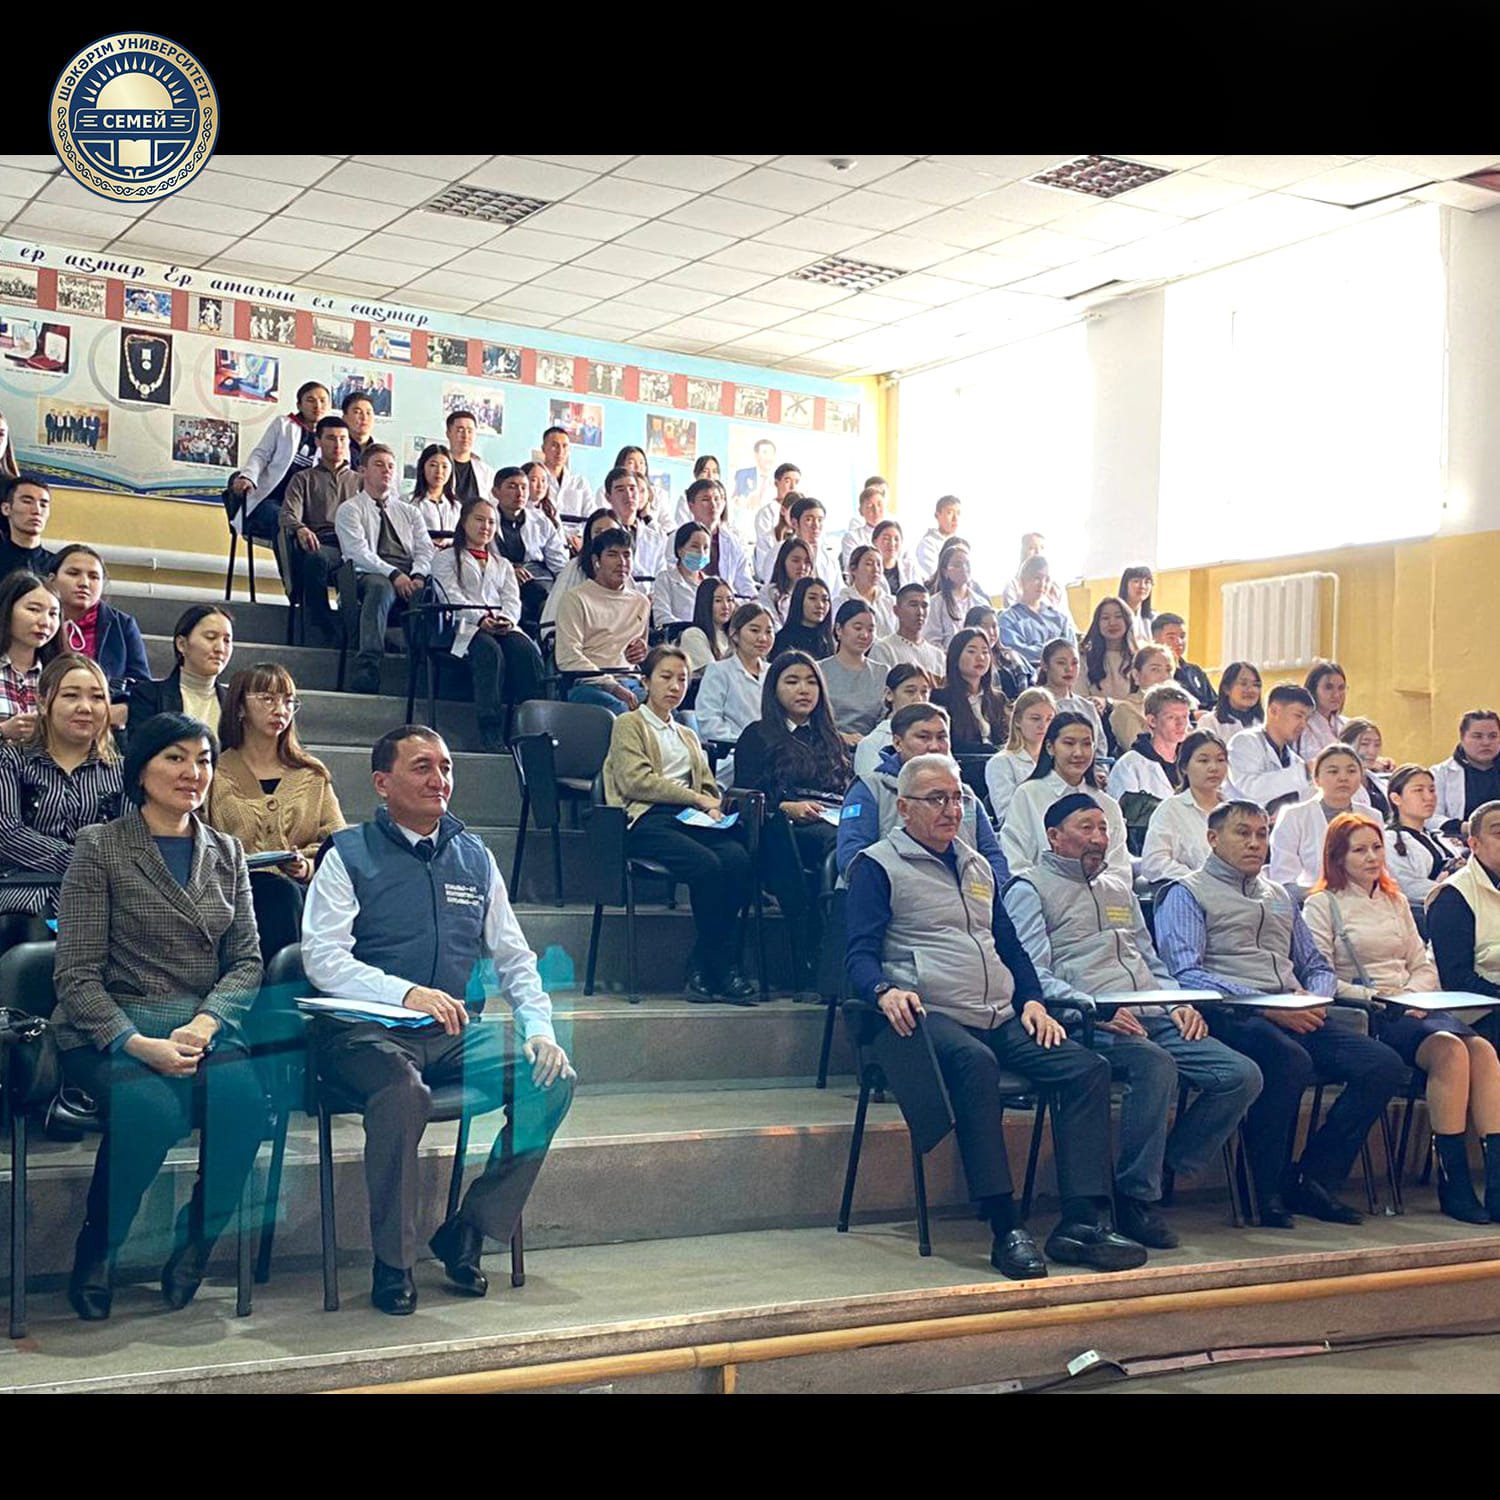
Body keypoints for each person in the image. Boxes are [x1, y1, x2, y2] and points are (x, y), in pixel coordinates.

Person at [302, 725, 575, 1313]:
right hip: (362, 1035)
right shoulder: (347, 853)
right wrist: (405, 994)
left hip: (449, 1035)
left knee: (550, 1081)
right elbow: (322, 958)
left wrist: (539, 1030)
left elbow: (515, 958)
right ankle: (394, 1262)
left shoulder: (474, 856)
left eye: (446, 767)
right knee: (404, 1095)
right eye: (422, 767)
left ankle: (469, 1230)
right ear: (383, 783)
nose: (439, 779)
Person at [845, 753, 1147, 1277]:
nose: (951, 809)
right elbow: (857, 955)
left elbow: (1009, 944)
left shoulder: (977, 865)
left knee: (1086, 1068)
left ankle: (1081, 1221)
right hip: (928, 1012)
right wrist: (882, 990)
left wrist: (1032, 1000)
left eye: (957, 798)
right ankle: (1005, 1225)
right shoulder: (877, 865)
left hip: (1000, 1011)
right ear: (904, 808)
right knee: (976, 1064)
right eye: (936, 799)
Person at [54, 712, 264, 1321]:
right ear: (141, 770)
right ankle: (99, 1250)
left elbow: (247, 962)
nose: (191, 772)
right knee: (149, 1111)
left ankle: (196, 1240)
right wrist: (136, 1043)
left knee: (245, 1106)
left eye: (203, 759)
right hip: (113, 1025)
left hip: (200, 1026)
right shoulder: (100, 845)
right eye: (175, 757)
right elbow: (75, 974)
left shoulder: (228, 852)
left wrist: (207, 1023)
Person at [1005, 793, 1263, 1248]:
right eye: (1086, 827)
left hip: (1150, 1011)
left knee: (1240, 1075)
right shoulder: (1030, 888)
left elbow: (1150, 960)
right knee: (1155, 1064)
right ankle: (1134, 1198)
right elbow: (1031, 972)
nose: (1098, 838)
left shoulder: (1118, 888)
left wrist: (1175, 1002)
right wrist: (1093, 1009)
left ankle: (1160, 1167)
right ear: (1054, 836)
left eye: (1103, 828)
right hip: (1088, 1019)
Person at [1155, 800, 1405, 1227]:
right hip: (1231, 1013)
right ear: (1213, 838)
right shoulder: (1187, 891)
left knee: (1383, 1064)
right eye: (1243, 833)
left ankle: (1312, 1180)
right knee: (1289, 1059)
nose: (1255, 843)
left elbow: (1316, 966)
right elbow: (1186, 972)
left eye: (1262, 834)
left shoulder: (1279, 895)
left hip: (1295, 1010)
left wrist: (1316, 999)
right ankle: (1263, 1189)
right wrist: (1267, 1005)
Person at [1305, 811, 1500, 1222]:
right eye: (1359, 850)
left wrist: (1413, 994)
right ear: (1337, 857)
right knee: (1450, 1051)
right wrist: (1383, 997)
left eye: (1377, 848)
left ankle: (1496, 1180)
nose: (1372, 857)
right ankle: (1453, 1181)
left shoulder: (1394, 900)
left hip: (1415, 1004)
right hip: (1369, 1011)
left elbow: (1422, 962)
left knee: (1481, 1050)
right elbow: (1320, 975)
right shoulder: (1322, 903)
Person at [602, 648, 757, 1003]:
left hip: (690, 818)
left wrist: (712, 806)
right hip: (647, 818)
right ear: (645, 681)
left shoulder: (687, 733)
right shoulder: (629, 724)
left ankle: (704, 962)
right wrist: (697, 799)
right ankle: (721, 967)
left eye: (682, 679)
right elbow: (636, 782)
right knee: (707, 865)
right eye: (666, 677)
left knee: (738, 859)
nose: (675, 686)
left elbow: (708, 785)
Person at [734, 652, 852, 991]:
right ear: (774, 689)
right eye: (792, 681)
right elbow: (745, 797)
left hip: (831, 819)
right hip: (780, 827)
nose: (804, 689)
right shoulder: (757, 735)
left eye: (811, 682)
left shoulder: (832, 738)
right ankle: (815, 950)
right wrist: (787, 807)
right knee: (835, 845)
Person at [209, 664, 344, 957]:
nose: (280, 709)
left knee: (285, 895)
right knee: (275, 894)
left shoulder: (311, 774)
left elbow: (338, 844)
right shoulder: (214, 772)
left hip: (301, 893)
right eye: (267, 699)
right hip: (232, 894)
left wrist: (307, 867)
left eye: (288, 701)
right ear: (240, 707)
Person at [0, 654, 123, 916]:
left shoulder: (122, 770)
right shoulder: (11, 760)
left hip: (102, 897)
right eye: (71, 696)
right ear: (43, 703)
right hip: (24, 895)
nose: (85, 707)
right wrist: (83, 861)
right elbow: (7, 833)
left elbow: (130, 839)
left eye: (97, 697)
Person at [839, 702, 1009, 887]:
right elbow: (852, 859)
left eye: (942, 737)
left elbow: (992, 855)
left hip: (966, 894)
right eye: (923, 737)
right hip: (895, 894)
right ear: (897, 742)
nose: (934, 746)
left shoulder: (965, 794)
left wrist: (993, 894)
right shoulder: (870, 788)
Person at [429, 494, 545, 749]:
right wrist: (480, 618)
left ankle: (534, 728)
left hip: (501, 625)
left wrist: (506, 620)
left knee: (526, 651)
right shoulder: (445, 558)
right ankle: (490, 729)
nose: (486, 527)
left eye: (491, 522)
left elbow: (512, 599)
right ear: (464, 522)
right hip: (463, 626)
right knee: (488, 651)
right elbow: (450, 595)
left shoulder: (502, 564)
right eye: (479, 520)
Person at [333, 444, 434, 697]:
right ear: (362, 471)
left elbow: (425, 549)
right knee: (381, 588)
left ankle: (427, 667)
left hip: (409, 572)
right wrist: (393, 574)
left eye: (390, 466)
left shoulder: (410, 512)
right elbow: (358, 553)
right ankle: (368, 665)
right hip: (367, 573)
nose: (386, 471)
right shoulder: (350, 509)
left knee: (434, 592)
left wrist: (418, 575)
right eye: (378, 465)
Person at [1004, 712, 1128, 874]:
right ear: (1050, 747)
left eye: (1086, 744)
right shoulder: (1028, 795)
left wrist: (1091, 887)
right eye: (1069, 743)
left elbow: (1119, 869)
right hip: (1041, 887)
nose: (1078, 753)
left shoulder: (1107, 804)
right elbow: (1016, 860)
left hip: (1098, 888)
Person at [553, 526, 651, 716]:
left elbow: (639, 652)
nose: (622, 562)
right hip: (589, 684)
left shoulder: (641, 602)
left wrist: (642, 650)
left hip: (632, 681)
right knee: (622, 712)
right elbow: (568, 657)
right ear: (596, 561)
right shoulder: (575, 598)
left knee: (670, 712)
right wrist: (612, 686)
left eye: (627, 555)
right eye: (612, 555)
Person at [281, 415, 361, 644]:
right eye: (331, 438)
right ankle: (323, 625)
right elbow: (287, 514)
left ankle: (355, 633)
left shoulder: (360, 481)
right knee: (316, 558)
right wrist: (300, 528)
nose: (338, 445)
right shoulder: (303, 479)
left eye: (343, 439)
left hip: (356, 545)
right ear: (318, 441)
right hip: (323, 543)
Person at [48, 544, 149, 723]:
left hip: (107, 722)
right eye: (73, 573)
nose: (84, 583)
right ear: (52, 579)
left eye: (94, 577)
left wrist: (121, 707)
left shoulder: (122, 625)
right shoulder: (39, 621)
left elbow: (143, 687)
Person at [232, 381, 330, 543]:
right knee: (288, 524)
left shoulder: (332, 437)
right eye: (310, 400)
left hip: (304, 507)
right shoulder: (284, 425)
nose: (317, 405)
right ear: (299, 405)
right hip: (272, 499)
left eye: (322, 400)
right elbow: (261, 454)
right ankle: (289, 560)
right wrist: (248, 476)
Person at [1429, 800, 1500, 1015]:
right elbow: (1456, 979)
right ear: (1474, 844)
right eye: (1499, 833)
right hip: (1479, 1010)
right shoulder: (1453, 895)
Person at [1269, 743, 1368, 890]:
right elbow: (1284, 877)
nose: (1343, 778)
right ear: (1316, 779)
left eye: (1351, 771)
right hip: (1309, 897)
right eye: (1333, 771)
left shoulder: (1371, 816)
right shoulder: (1294, 816)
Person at [1108, 681, 1193, 852]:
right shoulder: (1130, 766)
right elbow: (1127, 821)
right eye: (1171, 717)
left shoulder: (1192, 762)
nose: (1181, 724)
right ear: (1152, 721)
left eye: (1185, 717)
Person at [695, 603, 775, 779]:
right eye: (754, 630)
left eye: (769, 632)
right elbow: (709, 722)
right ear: (735, 634)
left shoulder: (774, 672)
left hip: (774, 754)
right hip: (731, 755)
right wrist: (746, 746)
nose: (763, 638)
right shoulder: (718, 671)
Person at [127, 603, 232, 736]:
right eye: (210, 637)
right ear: (181, 644)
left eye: (227, 640)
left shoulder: (235, 702)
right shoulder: (149, 696)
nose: (220, 648)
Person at [1140, 729, 1229, 884]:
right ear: (1184, 767)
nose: (1213, 767)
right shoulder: (1171, 810)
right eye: (1203, 761)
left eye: (1220, 760)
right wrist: (1200, 880)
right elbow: (1153, 863)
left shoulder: (1235, 810)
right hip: (1192, 890)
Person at [490, 465, 570, 629]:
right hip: (502, 580)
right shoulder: (486, 520)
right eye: (512, 487)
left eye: (524, 487)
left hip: (540, 579)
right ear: (496, 492)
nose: (519, 493)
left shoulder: (541, 521)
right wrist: (509, 570)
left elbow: (558, 562)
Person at [539, 508, 641, 629]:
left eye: (610, 532)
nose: (604, 538)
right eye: (598, 532)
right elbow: (553, 617)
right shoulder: (575, 567)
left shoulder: (624, 571)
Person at [1384, 763, 1468, 904]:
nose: (1429, 797)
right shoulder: (1390, 840)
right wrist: (1448, 887)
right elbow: (1408, 887)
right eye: (1418, 790)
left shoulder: (1438, 836)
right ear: (1396, 798)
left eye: (1432, 790)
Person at [1228, 683, 1314, 815]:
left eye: (1307, 719)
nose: (1303, 724)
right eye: (1298, 716)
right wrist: (1304, 772)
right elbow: (1251, 789)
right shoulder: (1243, 742)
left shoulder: (1296, 761)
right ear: (1274, 711)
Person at [985, 687, 1056, 826]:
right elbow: (1006, 815)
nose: (1043, 725)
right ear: (1017, 720)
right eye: (1035, 719)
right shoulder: (1002, 762)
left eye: (1049, 719)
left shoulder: (1057, 760)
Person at [852, 664, 935, 781]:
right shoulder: (872, 743)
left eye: (924, 692)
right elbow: (871, 787)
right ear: (889, 694)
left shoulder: (937, 738)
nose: (919, 699)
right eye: (910, 692)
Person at [933, 627, 1008, 755]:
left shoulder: (998, 699)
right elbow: (952, 744)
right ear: (956, 657)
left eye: (985, 652)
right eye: (971, 651)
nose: (980, 657)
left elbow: (1005, 737)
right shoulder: (940, 699)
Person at [819, 600, 885, 742]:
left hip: (872, 746)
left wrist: (869, 743)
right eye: (858, 628)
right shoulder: (819, 670)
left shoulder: (882, 672)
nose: (864, 635)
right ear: (839, 629)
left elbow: (886, 718)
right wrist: (839, 737)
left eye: (870, 630)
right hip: (827, 744)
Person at [997, 554, 1075, 667]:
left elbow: (1071, 651)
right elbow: (1017, 653)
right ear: (1023, 580)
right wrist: (1056, 653)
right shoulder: (1007, 619)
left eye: (1047, 579)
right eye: (1037, 578)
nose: (1042, 584)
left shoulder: (1060, 619)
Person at [682, 479, 755, 600]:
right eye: (705, 500)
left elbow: (744, 582)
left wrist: (754, 600)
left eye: (717, 499)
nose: (713, 505)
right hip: (688, 601)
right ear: (691, 506)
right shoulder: (680, 538)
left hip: (726, 604)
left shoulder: (733, 541)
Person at [1432, 710, 1500, 832]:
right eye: (1477, 736)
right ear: (1462, 738)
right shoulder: (1440, 774)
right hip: (1459, 839)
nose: (1486, 742)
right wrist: (1467, 828)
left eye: (1493, 736)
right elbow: (1430, 817)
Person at [1107, 644, 1176, 756]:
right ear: (1136, 675)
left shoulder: (1181, 709)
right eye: (1155, 669)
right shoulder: (1125, 709)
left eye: (1168, 670)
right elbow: (1140, 752)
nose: (1165, 677)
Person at [1037, 637, 1105, 747]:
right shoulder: (1035, 703)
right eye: (1061, 663)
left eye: (1074, 663)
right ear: (1045, 665)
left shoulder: (1087, 707)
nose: (1069, 669)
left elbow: (1100, 746)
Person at [602, 465, 667, 580]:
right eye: (620, 490)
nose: (628, 494)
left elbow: (661, 576)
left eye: (632, 488)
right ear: (608, 497)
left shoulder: (655, 538)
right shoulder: (601, 533)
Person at [869, 583, 946, 679]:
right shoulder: (883, 649)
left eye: (924, 606)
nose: (920, 612)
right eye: (913, 605)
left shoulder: (938, 656)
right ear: (896, 610)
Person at [925, 540, 987, 652]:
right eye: (958, 565)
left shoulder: (981, 603)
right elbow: (932, 642)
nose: (964, 568)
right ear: (945, 571)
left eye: (967, 564)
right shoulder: (935, 603)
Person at [964, 604, 1031, 701]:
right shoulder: (966, 659)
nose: (991, 632)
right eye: (984, 626)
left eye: (994, 626)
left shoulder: (1011, 656)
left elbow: (1030, 682)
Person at [652, 522, 712, 628]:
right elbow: (662, 618)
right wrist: (691, 630)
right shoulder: (665, 579)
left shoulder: (712, 584)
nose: (701, 553)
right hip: (678, 636)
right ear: (679, 550)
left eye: (706, 548)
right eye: (695, 546)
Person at [1151, 613, 1216, 711]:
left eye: (1182, 636)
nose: (1179, 642)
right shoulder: (1154, 673)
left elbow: (1214, 701)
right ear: (1155, 639)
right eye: (1171, 637)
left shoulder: (1194, 671)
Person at [538, 424, 594, 535]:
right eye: (554, 445)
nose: (560, 451)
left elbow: (590, 517)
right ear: (543, 449)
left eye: (565, 446)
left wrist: (579, 537)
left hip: (577, 539)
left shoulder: (580, 483)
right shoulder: (535, 480)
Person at [1079, 596, 1136, 704]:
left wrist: (1109, 703)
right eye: (1105, 618)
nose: (1112, 623)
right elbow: (1080, 698)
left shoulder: (1139, 659)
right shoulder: (1084, 658)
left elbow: (1144, 701)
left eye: (1118, 616)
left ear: (1127, 621)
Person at [752, 463, 804, 580]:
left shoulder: (806, 514)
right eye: (787, 481)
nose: (792, 487)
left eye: (796, 482)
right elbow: (764, 568)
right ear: (776, 483)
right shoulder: (766, 513)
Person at [0, 474, 58, 578]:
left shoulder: (58, 566)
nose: (37, 511)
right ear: (6, 509)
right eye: (27, 502)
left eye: (43, 505)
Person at [1000, 532, 1068, 613]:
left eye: (1042, 548)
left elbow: (1066, 616)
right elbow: (1012, 615)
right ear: (1022, 553)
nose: (1038, 552)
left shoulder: (1056, 585)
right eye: (1031, 548)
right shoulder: (1012, 585)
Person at [837, 545, 897, 637]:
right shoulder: (842, 601)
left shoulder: (891, 602)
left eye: (879, 564)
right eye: (869, 564)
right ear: (853, 569)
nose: (876, 569)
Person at [772, 576, 835, 661]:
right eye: (812, 598)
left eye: (825, 600)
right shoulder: (783, 639)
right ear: (799, 600)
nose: (820, 605)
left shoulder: (829, 640)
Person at [1340, 717, 1393, 817]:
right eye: (1364, 744)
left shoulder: (1379, 783)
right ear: (1346, 744)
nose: (1372, 751)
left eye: (1377, 745)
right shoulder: (1339, 784)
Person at [1200, 661, 1264, 743]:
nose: (1251, 690)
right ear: (1226, 688)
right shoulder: (1209, 722)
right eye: (1244, 684)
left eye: (1256, 685)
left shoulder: (1265, 724)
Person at [679, 578, 733, 675]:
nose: (726, 606)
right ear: (705, 603)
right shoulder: (693, 635)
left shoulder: (733, 634)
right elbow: (714, 673)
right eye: (718, 601)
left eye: (729, 600)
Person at [759, 537, 813, 627]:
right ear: (783, 562)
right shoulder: (770, 593)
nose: (802, 567)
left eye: (807, 562)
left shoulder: (814, 595)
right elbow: (773, 627)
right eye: (796, 561)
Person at [409, 442, 459, 540]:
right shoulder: (409, 502)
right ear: (422, 467)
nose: (439, 471)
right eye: (433, 465)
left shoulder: (456, 506)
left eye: (444, 466)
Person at [444, 410, 494, 504]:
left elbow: (492, 504)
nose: (465, 436)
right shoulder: (440, 467)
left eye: (470, 431)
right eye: (460, 430)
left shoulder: (486, 471)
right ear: (448, 433)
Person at [839, 484, 888, 573]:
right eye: (870, 506)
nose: (876, 510)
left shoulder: (895, 534)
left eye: (879, 505)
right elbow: (850, 569)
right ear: (861, 511)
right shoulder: (852, 537)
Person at [913, 494, 962, 580]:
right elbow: (933, 576)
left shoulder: (961, 544)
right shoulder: (928, 543)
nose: (955, 518)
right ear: (937, 515)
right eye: (950, 513)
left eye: (958, 513)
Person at [871, 519, 921, 597]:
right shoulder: (867, 569)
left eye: (896, 539)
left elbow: (919, 595)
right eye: (886, 538)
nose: (892, 543)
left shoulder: (909, 567)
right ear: (875, 541)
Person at [1118, 565, 1155, 648]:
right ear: (1125, 585)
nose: (1142, 586)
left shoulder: (1154, 618)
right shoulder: (1114, 615)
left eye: (1147, 582)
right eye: (1136, 581)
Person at [341, 390, 376, 470]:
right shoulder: (337, 447)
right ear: (344, 418)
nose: (364, 418)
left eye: (368, 413)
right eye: (357, 412)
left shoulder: (380, 450)